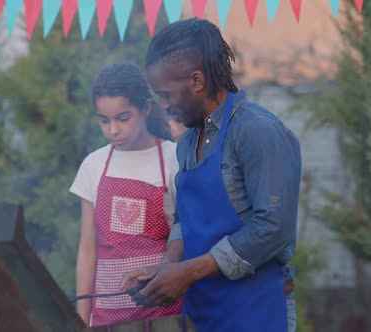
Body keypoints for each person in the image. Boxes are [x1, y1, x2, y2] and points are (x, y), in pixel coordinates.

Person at [121, 18, 302, 332]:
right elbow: (184, 218)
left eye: (165, 95)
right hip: (205, 315)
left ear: (196, 81)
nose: (163, 106)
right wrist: (169, 267)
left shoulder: (257, 132)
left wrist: (189, 273)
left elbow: (274, 227)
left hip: (257, 312)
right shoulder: (188, 142)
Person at [70, 63, 183, 328]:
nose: (113, 130)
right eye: (104, 120)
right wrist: (81, 317)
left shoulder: (173, 158)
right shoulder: (93, 165)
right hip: (107, 316)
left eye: (123, 118)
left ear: (145, 109)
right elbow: (88, 248)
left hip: (165, 315)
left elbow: (186, 235)